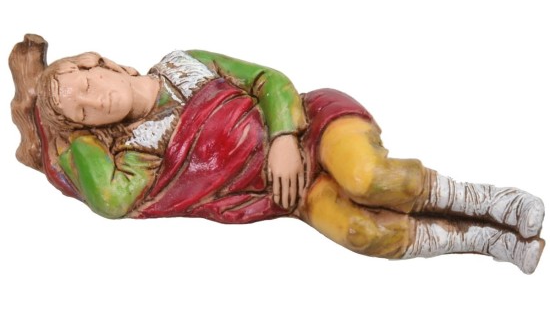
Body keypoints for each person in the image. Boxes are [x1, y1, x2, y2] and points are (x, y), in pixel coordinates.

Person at [9, 35, 546, 273]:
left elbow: (268, 80)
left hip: (310, 128)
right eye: (82, 114)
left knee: (368, 177)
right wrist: (68, 140)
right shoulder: (137, 158)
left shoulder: (181, 63)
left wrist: (285, 138)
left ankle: (496, 202)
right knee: (365, 233)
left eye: (86, 84)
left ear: (99, 63)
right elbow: (109, 201)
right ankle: (488, 242)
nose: (94, 100)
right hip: (293, 195)